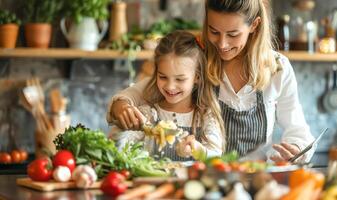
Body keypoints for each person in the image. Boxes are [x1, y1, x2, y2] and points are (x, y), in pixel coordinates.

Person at [107, 0, 314, 163]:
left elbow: (298, 131)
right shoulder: (197, 58)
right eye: (214, 31)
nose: (222, 44)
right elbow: (133, 95)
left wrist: (295, 149)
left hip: (255, 178)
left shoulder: (277, 67)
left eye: (233, 34)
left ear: (254, 25)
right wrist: (121, 106)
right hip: (205, 180)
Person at [109, 30, 225, 161]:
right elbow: (120, 144)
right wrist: (123, 129)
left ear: (196, 77)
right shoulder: (150, 114)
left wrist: (198, 150)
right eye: (163, 77)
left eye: (180, 79)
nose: (170, 86)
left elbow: (215, 155)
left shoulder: (205, 115)